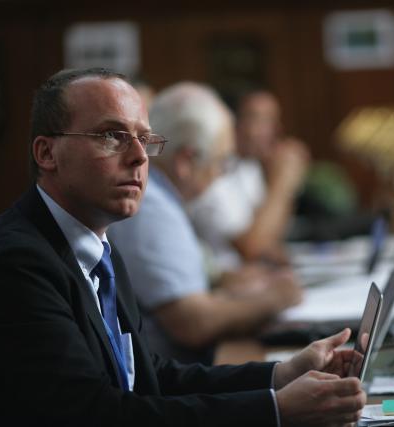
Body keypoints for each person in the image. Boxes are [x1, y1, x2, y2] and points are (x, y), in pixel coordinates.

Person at [0, 68, 366, 426]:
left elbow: (147, 377)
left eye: (144, 138)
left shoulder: (97, 244)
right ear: (47, 153)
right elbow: (94, 416)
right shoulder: (16, 266)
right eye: (112, 136)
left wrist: (280, 375)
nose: (138, 157)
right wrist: (275, 411)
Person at [109, 82, 302, 364]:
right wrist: (277, 298)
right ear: (186, 161)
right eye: (220, 162)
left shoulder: (163, 198)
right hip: (170, 383)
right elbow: (192, 323)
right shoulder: (151, 205)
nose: (220, 175)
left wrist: (229, 284)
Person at [188, 89, 309, 270]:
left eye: (273, 120)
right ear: (231, 122)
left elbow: (270, 237)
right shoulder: (212, 173)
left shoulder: (249, 168)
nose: (275, 130)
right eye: (261, 120)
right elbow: (253, 248)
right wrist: (282, 182)